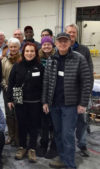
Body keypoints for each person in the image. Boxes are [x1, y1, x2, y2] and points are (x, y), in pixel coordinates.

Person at [42, 33, 91, 169]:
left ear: (70, 43)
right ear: (55, 44)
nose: (62, 44)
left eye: (65, 41)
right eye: (60, 41)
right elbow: (46, 82)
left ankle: (70, 164)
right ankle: (63, 158)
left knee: (67, 134)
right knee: (58, 133)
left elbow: (86, 82)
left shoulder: (79, 58)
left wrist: (83, 103)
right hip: (54, 104)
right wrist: (45, 102)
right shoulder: (52, 59)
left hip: (70, 105)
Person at [7, 42, 44, 163]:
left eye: (32, 51)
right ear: (23, 52)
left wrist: (44, 102)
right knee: (21, 125)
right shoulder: (17, 66)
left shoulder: (40, 67)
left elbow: (44, 85)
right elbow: (11, 83)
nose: (29, 53)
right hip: (19, 99)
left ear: (35, 53)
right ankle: (22, 147)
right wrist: (9, 99)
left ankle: (32, 148)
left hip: (35, 101)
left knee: (34, 126)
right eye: (27, 51)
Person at [65, 23, 94, 157]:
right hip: (66, 94)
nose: (71, 34)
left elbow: (89, 73)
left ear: (76, 34)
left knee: (82, 120)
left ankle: (82, 144)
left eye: (73, 32)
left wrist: (87, 93)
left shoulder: (84, 50)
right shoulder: (60, 49)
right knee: (66, 121)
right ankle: (65, 147)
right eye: (69, 32)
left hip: (81, 93)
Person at [36, 36, 57, 159]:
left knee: (54, 124)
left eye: (49, 44)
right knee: (44, 122)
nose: (46, 46)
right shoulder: (38, 58)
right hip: (41, 95)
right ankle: (43, 144)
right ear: (41, 46)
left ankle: (54, 146)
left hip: (54, 96)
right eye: (44, 44)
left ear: (53, 45)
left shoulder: (57, 58)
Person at [1, 37, 21, 146]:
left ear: (19, 47)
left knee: (18, 113)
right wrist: (6, 86)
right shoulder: (4, 60)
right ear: (8, 47)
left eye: (15, 47)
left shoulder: (22, 59)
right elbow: (2, 76)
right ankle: (11, 135)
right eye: (11, 46)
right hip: (7, 90)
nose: (13, 49)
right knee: (9, 114)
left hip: (19, 91)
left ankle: (18, 136)